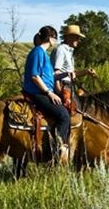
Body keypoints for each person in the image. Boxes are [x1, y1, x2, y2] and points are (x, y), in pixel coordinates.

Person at [22, 25, 70, 164]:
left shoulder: (44, 54)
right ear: (50, 38)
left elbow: (49, 77)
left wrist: (66, 74)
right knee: (63, 115)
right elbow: (35, 76)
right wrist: (49, 93)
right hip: (37, 92)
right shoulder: (38, 52)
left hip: (42, 91)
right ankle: (56, 150)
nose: (56, 41)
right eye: (55, 38)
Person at [51, 24, 97, 111]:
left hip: (68, 86)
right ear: (69, 37)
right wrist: (58, 90)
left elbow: (71, 73)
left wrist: (86, 71)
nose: (79, 40)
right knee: (71, 112)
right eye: (77, 37)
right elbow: (56, 71)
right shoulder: (61, 50)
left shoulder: (68, 51)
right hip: (63, 86)